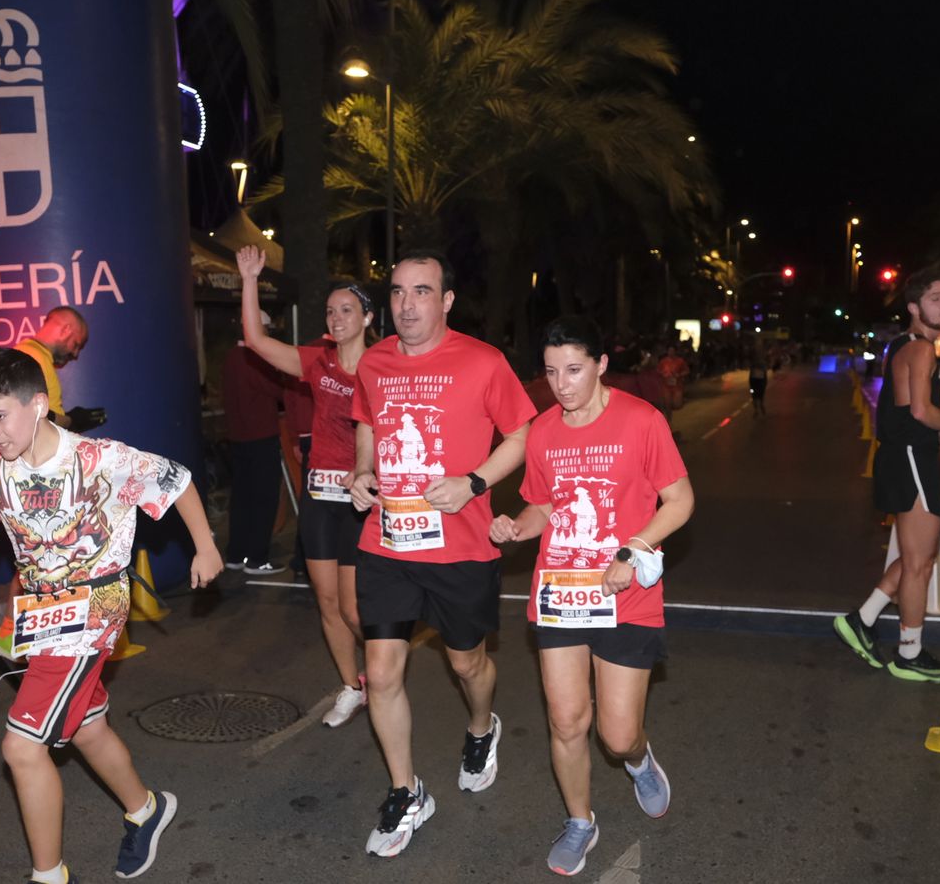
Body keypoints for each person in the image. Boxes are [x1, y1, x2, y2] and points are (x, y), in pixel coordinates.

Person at [0, 348, 223, 883]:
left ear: (40, 405)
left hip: (96, 607)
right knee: (86, 725)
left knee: (21, 748)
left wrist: (205, 547)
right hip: (38, 611)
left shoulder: (100, 459)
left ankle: (48, 876)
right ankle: (146, 811)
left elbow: (176, 479)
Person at [347, 248, 538, 857]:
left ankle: (482, 727)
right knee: (380, 672)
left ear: (447, 300)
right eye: (399, 292)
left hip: (461, 547)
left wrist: (475, 482)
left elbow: (521, 433)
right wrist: (360, 470)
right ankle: (407, 792)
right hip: (388, 541)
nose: (407, 304)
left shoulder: (483, 362)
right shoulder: (373, 362)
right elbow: (368, 422)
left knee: (466, 666)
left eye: (422, 291)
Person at [491, 317, 694, 875]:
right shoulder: (544, 431)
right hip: (561, 592)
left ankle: (639, 759)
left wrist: (631, 550)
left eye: (574, 370)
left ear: (603, 365)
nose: (562, 384)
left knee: (617, 734)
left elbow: (679, 501)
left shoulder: (641, 421)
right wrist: (517, 526)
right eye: (552, 372)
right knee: (566, 721)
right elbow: (545, 506)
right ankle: (581, 820)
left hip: (625, 596)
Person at [237, 244, 372, 728]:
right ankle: (353, 686)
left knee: (356, 610)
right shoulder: (318, 362)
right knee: (328, 603)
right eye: (331, 311)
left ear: (367, 317)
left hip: (362, 503)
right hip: (320, 496)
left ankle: (382, 677)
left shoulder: (385, 369)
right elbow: (254, 340)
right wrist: (251, 278)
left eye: (347, 311)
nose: (336, 319)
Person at [833, 273, 940, 684]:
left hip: (903, 457)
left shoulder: (905, 346)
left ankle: (862, 621)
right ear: (915, 308)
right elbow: (921, 411)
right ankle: (909, 654)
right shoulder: (921, 350)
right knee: (919, 563)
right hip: (913, 457)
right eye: (936, 298)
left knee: (919, 553)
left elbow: (932, 395)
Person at [222, 328, 286, 576]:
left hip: (237, 438)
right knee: (265, 499)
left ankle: (235, 554)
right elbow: (278, 390)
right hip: (261, 437)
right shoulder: (256, 359)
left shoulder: (230, 357)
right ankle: (257, 559)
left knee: (241, 499)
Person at [15, 306, 105, 432]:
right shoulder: (30, 358)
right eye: (76, 345)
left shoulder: (35, 356)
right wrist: (71, 421)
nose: (75, 354)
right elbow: (31, 412)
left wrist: (69, 421)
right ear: (66, 330)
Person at [657, 344, 688, 413]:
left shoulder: (680, 361)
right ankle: (668, 420)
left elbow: (686, 371)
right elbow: (658, 371)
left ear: (675, 351)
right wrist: (663, 374)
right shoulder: (663, 361)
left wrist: (679, 375)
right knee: (668, 404)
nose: (671, 352)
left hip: (677, 386)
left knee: (677, 405)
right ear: (667, 351)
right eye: (669, 351)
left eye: (672, 351)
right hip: (666, 386)